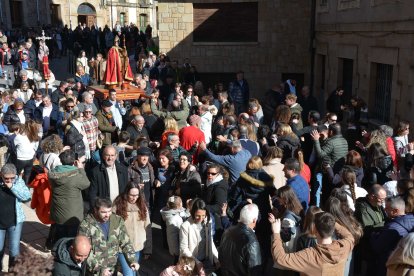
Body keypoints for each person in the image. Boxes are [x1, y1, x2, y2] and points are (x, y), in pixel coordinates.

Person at [269, 211, 354, 276]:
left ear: (315, 231)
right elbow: (350, 236)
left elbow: (280, 259)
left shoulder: (310, 256)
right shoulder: (344, 247)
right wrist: (331, 222)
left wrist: (276, 233)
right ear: (332, 230)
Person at [78, 198, 139, 275]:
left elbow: (126, 242)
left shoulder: (117, 221)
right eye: (103, 212)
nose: (107, 215)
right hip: (95, 272)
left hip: (113, 269)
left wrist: (132, 260)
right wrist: (100, 269)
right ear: (96, 210)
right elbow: (83, 252)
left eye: (109, 211)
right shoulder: (86, 225)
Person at [49, 150, 90, 243]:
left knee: (60, 236)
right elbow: (86, 184)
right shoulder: (76, 175)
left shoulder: (53, 173)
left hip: (58, 212)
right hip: (73, 215)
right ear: (74, 162)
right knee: (71, 240)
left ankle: (57, 250)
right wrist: (81, 169)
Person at [113, 183, 152, 276]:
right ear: (126, 193)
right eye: (132, 195)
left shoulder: (142, 206)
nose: (135, 198)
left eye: (137, 195)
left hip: (138, 246)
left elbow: (148, 228)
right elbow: (113, 229)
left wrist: (148, 248)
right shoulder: (117, 206)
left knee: (134, 272)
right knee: (129, 273)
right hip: (123, 248)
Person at [370, 196, 414, 276]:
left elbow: (377, 247)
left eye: (387, 208)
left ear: (395, 211)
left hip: (390, 266)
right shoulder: (412, 220)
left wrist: (374, 235)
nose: (384, 210)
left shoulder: (391, 228)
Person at [0, 164, 31, 272]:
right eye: (6, 178)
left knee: (14, 250)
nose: (9, 181)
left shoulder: (18, 182)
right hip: (0, 223)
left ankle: (12, 272)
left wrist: (12, 187)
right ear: (1, 175)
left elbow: (26, 196)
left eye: (12, 178)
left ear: (16, 175)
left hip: (15, 222)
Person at [219, 203, 262, 275]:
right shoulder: (252, 242)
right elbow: (254, 271)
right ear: (254, 220)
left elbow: (221, 256)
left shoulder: (228, 231)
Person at [179, 199, 218, 271]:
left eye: (203, 215)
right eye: (198, 216)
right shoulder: (185, 226)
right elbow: (184, 249)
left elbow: (210, 241)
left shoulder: (208, 222)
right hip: (190, 263)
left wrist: (216, 259)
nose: (201, 219)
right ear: (192, 213)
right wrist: (196, 262)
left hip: (205, 260)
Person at [160, 196, 189, 262]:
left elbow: (184, 215)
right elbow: (172, 237)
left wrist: (188, 209)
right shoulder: (172, 220)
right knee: (177, 264)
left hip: (181, 246)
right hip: (178, 250)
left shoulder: (176, 211)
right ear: (179, 205)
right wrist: (176, 252)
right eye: (181, 202)